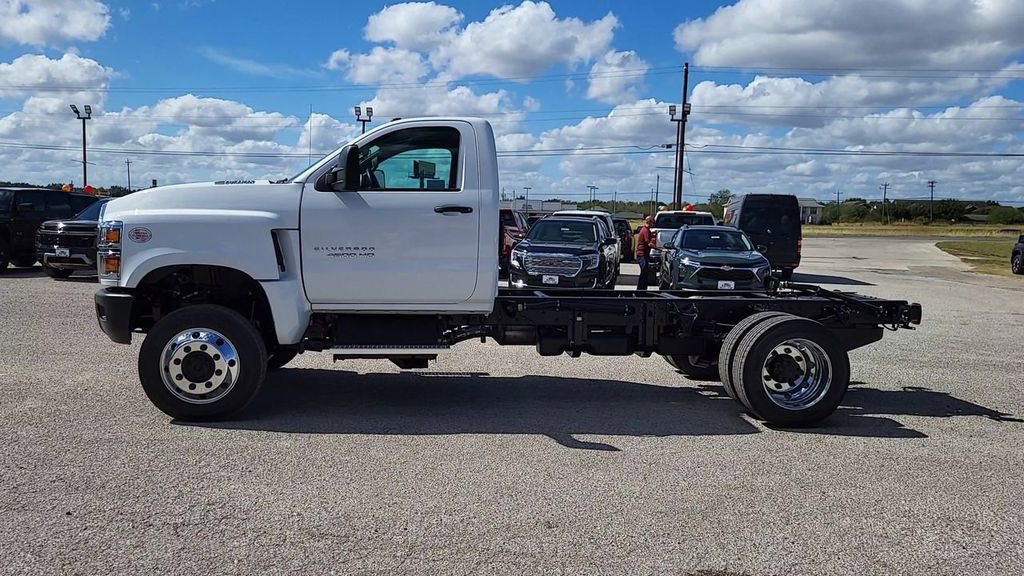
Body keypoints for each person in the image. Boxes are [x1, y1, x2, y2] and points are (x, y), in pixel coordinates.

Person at [635, 216, 656, 290]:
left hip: (645, 254)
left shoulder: (647, 230)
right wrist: (660, 249)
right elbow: (648, 243)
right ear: (648, 222)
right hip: (642, 254)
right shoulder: (645, 231)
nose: (654, 224)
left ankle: (642, 289)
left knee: (645, 272)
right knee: (644, 272)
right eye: (653, 222)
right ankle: (640, 290)